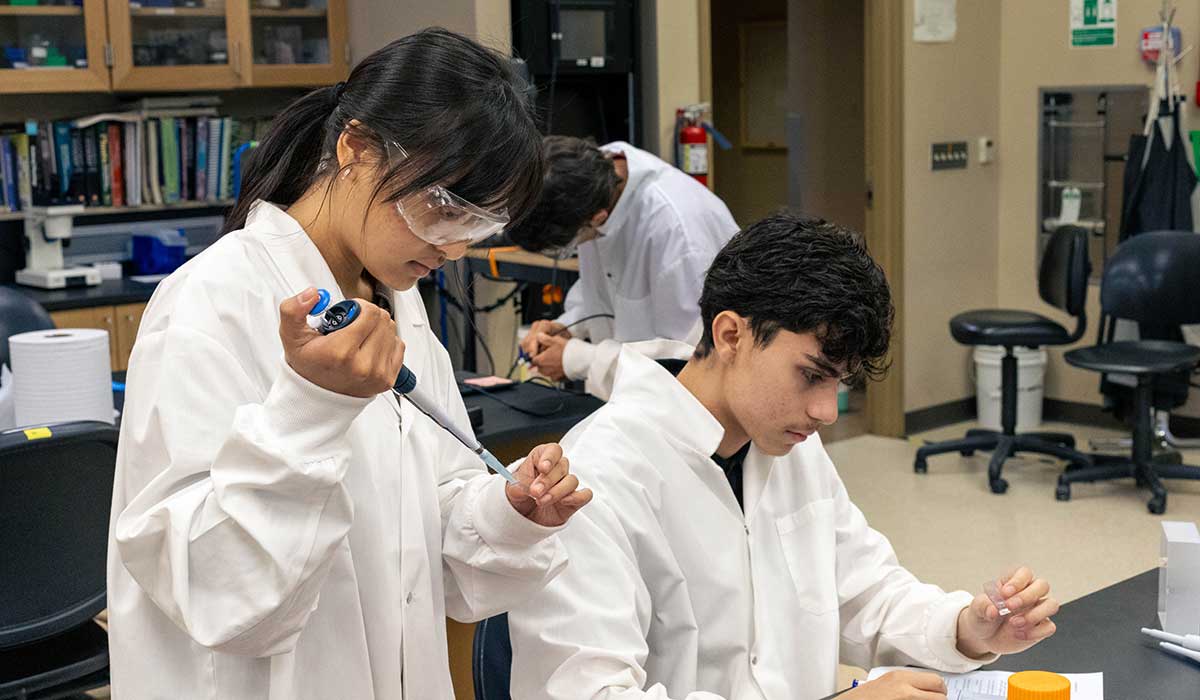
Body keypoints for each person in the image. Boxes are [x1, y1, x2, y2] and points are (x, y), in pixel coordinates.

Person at [106, 29, 592, 699]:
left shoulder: (397, 302)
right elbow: (209, 587)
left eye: (475, 228)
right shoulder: (210, 301)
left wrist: (508, 511)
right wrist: (310, 407)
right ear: (356, 149)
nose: (450, 248)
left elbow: (428, 518)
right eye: (442, 209)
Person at [506, 213, 1060, 700]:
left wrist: (966, 627)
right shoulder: (594, 476)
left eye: (839, 383)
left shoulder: (789, 445)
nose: (826, 412)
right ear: (731, 335)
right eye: (811, 375)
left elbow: (865, 590)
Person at [508, 136, 738, 398]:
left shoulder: (677, 232)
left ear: (598, 218)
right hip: (634, 396)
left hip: (692, 409)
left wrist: (578, 359)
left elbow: (689, 363)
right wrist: (567, 326)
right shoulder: (589, 181)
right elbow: (608, 287)